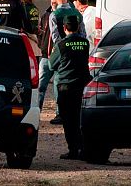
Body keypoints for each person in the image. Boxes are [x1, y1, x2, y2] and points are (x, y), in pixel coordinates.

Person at [49, 8, 91, 160]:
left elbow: (51, 65)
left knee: (68, 120)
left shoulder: (61, 45)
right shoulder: (85, 43)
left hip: (66, 86)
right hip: (82, 86)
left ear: (64, 27)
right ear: (78, 27)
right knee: (80, 119)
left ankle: (73, 150)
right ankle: (83, 149)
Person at [38, 0, 63, 124]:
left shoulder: (62, 15)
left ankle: (59, 114)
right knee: (40, 86)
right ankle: (36, 111)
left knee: (58, 87)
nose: (53, 1)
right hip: (45, 57)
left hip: (59, 57)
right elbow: (40, 32)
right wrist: (42, 46)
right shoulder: (45, 15)